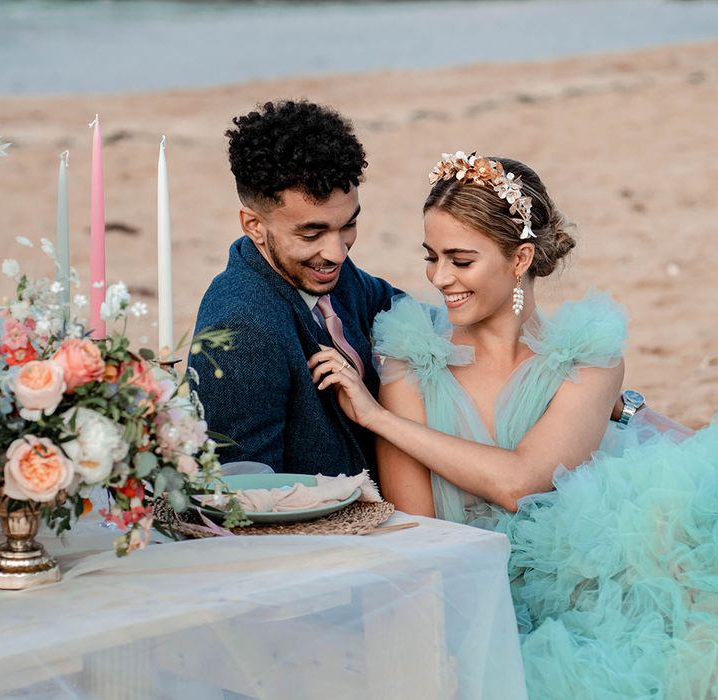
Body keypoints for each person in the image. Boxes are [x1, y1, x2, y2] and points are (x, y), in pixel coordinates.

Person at [309, 151, 718, 697]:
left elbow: (522, 482)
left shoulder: (587, 356)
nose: (439, 278)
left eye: (461, 259)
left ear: (520, 257)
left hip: (590, 584)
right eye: (431, 257)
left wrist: (379, 419)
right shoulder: (411, 359)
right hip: (475, 600)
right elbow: (416, 535)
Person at [188, 100, 395, 477]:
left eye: (348, 225)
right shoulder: (241, 333)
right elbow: (248, 497)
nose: (336, 252)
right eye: (312, 233)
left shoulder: (327, 270)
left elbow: (396, 307)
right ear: (253, 226)